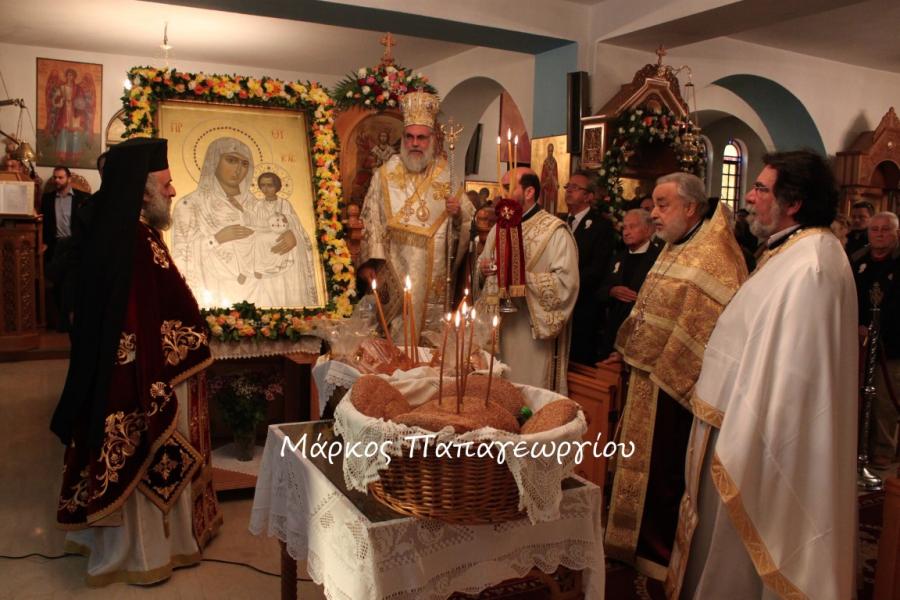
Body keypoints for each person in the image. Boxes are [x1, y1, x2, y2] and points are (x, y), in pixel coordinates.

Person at [667, 151, 858, 600]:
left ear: (794, 203)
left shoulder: (811, 266)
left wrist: (749, 429)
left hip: (763, 435)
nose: (749, 198)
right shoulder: (794, 250)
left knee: (748, 548)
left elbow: (792, 375)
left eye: (761, 189)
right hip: (737, 418)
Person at [51, 137, 220, 585]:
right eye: (165, 184)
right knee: (144, 453)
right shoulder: (138, 242)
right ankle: (150, 551)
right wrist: (185, 349)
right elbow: (148, 320)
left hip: (112, 372)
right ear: (143, 192)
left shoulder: (115, 231)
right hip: (139, 376)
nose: (173, 191)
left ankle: (122, 543)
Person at [605, 172, 747, 579]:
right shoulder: (677, 243)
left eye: (662, 204)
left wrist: (665, 364)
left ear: (691, 207)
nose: (654, 213)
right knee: (641, 467)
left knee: (666, 472)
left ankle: (659, 555)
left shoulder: (716, 255)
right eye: (653, 204)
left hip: (679, 385)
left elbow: (713, 328)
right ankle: (629, 544)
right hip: (647, 377)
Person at [360, 90, 474, 343]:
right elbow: (372, 220)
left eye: (421, 138)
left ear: (432, 139)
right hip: (393, 265)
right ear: (403, 138)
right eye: (409, 137)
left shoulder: (447, 175)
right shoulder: (384, 174)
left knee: (428, 337)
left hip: (433, 269)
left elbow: (467, 224)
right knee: (394, 331)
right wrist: (371, 263)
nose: (415, 143)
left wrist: (457, 215)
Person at [476, 168, 579, 394]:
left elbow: (566, 284)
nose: (500, 194)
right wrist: (483, 271)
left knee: (526, 394)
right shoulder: (498, 227)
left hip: (529, 333)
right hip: (496, 329)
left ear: (529, 192)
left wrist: (522, 281)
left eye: (507, 187)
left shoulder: (554, 232)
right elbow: (482, 268)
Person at [851, 211, 900, 467]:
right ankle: (858, 445)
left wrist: (879, 330)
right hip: (858, 342)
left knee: (884, 399)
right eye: (875, 229)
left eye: (885, 229)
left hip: (891, 344)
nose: (880, 234)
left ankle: (883, 449)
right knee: (859, 396)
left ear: (896, 233)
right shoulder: (858, 260)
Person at [243, 171, 318, 306]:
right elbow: (256, 222)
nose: (266, 189)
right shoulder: (258, 205)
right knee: (257, 240)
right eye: (263, 185)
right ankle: (257, 271)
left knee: (290, 248)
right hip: (265, 238)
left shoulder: (284, 203)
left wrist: (285, 218)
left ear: (277, 186)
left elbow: (294, 222)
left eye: (270, 185)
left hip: (282, 236)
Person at [564, 170, 616, 365]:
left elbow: (597, 268)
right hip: (559, 303)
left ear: (589, 196)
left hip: (583, 304)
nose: (569, 190)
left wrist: (567, 283)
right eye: (567, 186)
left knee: (577, 358)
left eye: (575, 187)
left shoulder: (602, 226)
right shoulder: (560, 221)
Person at [595, 208, 662, 359]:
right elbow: (600, 291)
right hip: (613, 331)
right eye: (624, 227)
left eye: (632, 226)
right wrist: (611, 291)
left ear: (648, 230)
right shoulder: (617, 258)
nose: (626, 232)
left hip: (642, 335)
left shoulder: (659, 259)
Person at [41, 165, 92, 331]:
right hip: (55, 245)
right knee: (58, 280)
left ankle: (69, 321)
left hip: (74, 245)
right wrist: (43, 242)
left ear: (69, 179)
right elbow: (44, 224)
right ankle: (62, 321)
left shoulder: (83, 198)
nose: (57, 180)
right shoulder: (47, 199)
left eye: (60, 177)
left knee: (71, 280)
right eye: (55, 177)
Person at [540, 143, 559, 214]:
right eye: (549, 151)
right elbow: (543, 175)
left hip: (553, 187)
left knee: (552, 204)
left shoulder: (554, 162)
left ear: (553, 151)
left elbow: (556, 174)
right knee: (546, 204)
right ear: (547, 151)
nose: (550, 152)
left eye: (551, 151)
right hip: (546, 187)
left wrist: (555, 180)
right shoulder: (545, 162)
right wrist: (546, 180)